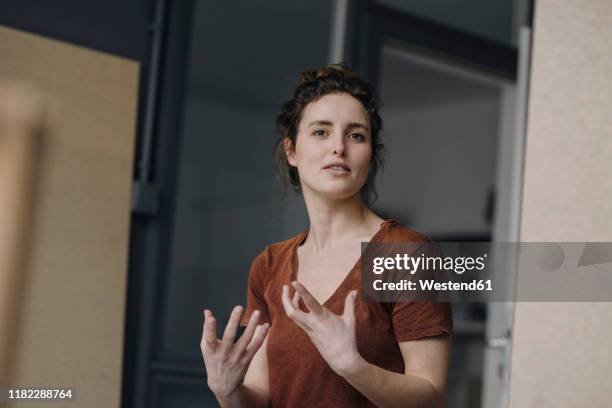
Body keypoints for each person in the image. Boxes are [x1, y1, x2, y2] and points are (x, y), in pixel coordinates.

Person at [200, 64, 453, 408]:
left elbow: (431, 397)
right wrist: (226, 390)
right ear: (291, 151)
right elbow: (259, 398)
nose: (339, 147)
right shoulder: (269, 265)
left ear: (370, 155)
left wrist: (353, 366)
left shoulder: (406, 253)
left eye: (356, 135)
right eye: (320, 132)